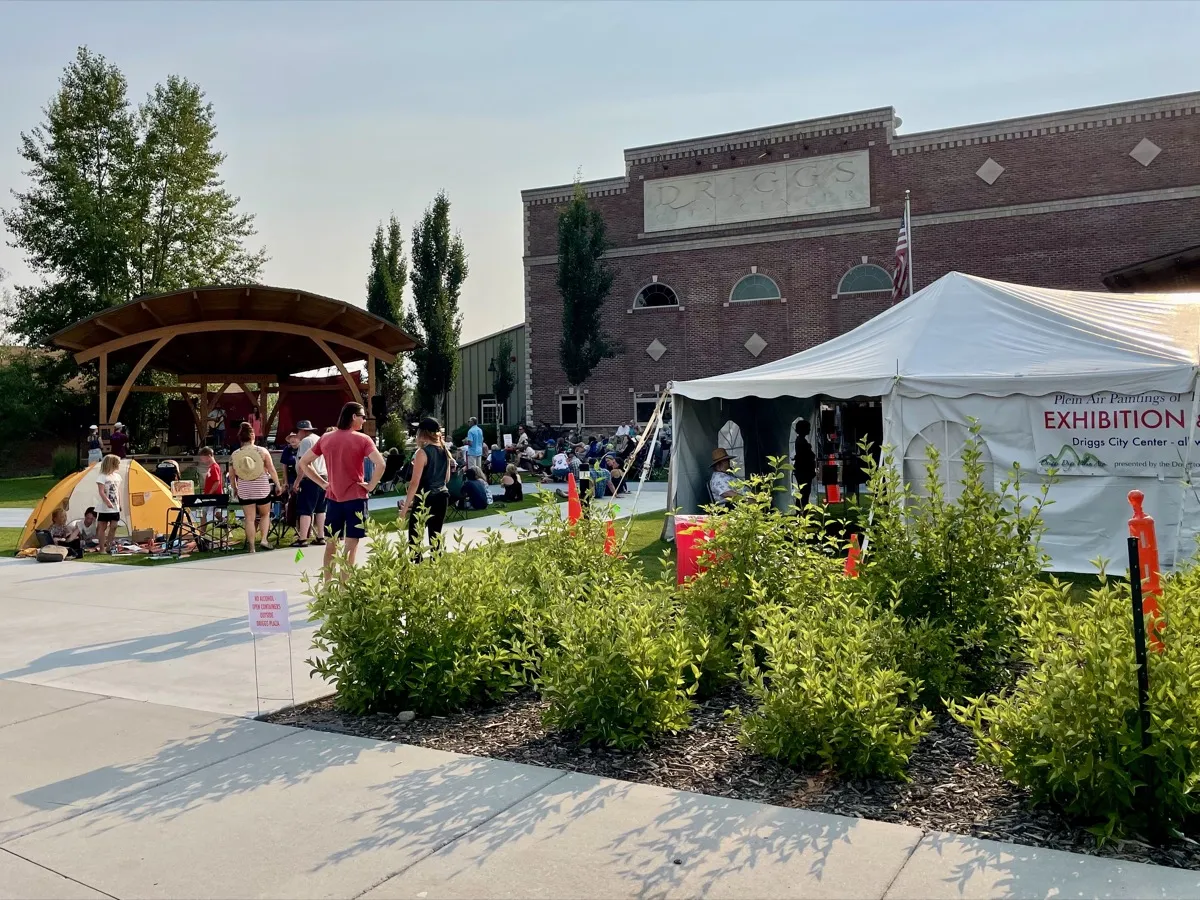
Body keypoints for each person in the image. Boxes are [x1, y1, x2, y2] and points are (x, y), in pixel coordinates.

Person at [299, 401, 383, 576]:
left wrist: (322, 483)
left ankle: (328, 585)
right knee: (351, 544)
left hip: (333, 498)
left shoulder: (326, 438)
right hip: (356, 499)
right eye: (362, 417)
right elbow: (381, 464)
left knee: (331, 543)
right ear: (353, 417)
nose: (364, 421)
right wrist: (371, 485)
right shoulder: (363, 439)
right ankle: (345, 586)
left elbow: (303, 462)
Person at [399, 417, 452, 557]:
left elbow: (414, 483)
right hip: (442, 497)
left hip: (425, 498)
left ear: (422, 433)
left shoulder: (421, 453)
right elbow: (446, 478)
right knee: (436, 537)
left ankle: (416, 568)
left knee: (415, 538)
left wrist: (405, 508)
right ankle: (437, 569)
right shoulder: (444, 451)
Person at [230, 422, 281, 553]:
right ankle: (264, 539)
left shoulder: (235, 454)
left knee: (249, 519)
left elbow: (232, 475)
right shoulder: (262, 451)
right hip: (261, 488)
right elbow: (272, 469)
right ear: (253, 436)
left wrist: (235, 488)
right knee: (265, 515)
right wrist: (278, 484)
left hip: (245, 489)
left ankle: (252, 547)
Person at [293, 419, 327, 547]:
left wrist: (297, 482)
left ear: (302, 430)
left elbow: (304, 464)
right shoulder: (319, 438)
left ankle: (302, 538)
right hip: (323, 476)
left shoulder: (306, 442)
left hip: (310, 478)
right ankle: (321, 536)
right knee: (320, 509)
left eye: (298, 431)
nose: (297, 434)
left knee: (305, 509)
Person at [95, 453, 122, 553]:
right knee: (103, 527)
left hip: (115, 506)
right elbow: (101, 491)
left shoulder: (117, 477)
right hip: (104, 507)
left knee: (114, 526)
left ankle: (109, 546)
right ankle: (102, 548)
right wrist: (107, 502)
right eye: (117, 463)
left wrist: (119, 504)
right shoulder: (102, 477)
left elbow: (118, 491)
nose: (119, 465)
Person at [793, 419, 817, 508]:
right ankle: (802, 512)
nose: (809, 430)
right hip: (804, 471)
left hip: (803, 470)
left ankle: (801, 512)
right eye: (808, 428)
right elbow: (808, 456)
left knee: (804, 492)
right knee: (805, 493)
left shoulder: (800, 440)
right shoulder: (801, 442)